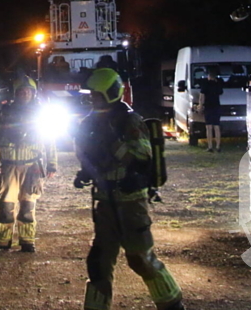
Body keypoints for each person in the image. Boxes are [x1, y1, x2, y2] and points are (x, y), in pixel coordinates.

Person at [76, 68, 185, 310]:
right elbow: (88, 155)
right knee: (99, 263)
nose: (92, 99)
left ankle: (172, 304)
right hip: (104, 201)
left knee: (140, 258)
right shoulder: (89, 122)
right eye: (91, 94)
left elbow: (141, 156)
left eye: (96, 94)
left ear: (111, 93)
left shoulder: (129, 120)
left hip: (130, 200)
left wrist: (112, 143)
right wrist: (85, 171)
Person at [0, 76, 58, 253]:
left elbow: (50, 140)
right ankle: (2, 241)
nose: (25, 93)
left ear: (33, 93)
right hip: (9, 165)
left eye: (28, 91)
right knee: (6, 206)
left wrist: (52, 163)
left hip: (32, 165)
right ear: (16, 93)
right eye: (21, 91)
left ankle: (27, 241)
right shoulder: (4, 113)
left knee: (27, 205)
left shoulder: (41, 114)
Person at [197, 69, 223, 153]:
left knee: (209, 127)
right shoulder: (218, 84)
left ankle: (210, 146)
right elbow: (220, 92)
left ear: (209, 76)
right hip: (216, 106)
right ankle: (218, 146)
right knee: (217, 127)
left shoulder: (205, 84)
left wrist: (200, 105)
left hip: (208, 107)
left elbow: (202, 96)